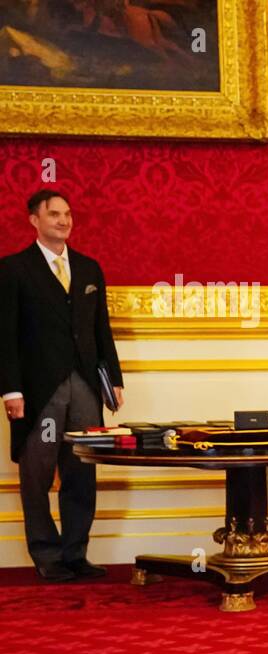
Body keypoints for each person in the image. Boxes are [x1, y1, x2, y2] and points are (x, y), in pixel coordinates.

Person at [0, 189, 124, 583]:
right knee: (36, 473)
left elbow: (101, 330)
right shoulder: (13, 269)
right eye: (54, 214)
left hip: (86, 385)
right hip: (38, 390)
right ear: (34, 220)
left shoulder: (89, 269)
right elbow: (5, 336)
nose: (63, 221)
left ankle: (75, 553)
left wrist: (114, 381)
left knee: (81, 471)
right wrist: (10, 390)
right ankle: (47, 555)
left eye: (68, 214)